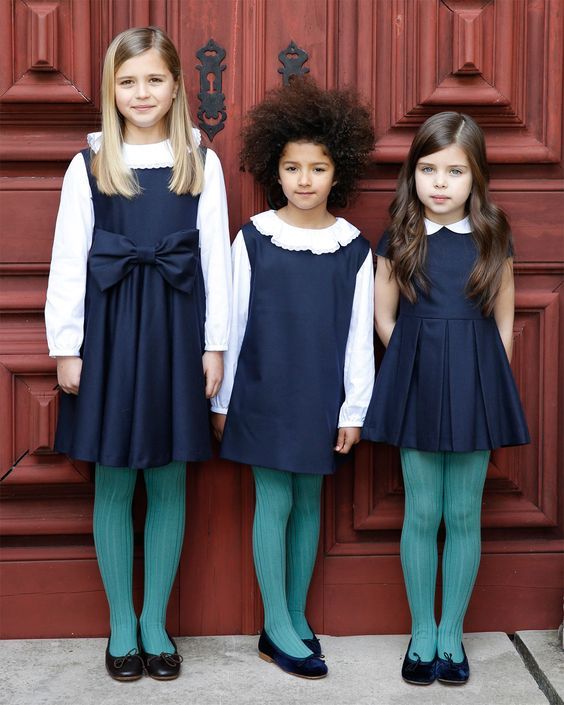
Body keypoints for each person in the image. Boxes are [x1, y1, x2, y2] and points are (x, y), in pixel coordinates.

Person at [45, 26, 231, 681]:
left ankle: (156, 620)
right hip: (110, 335)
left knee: (169, 476)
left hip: (177, 334)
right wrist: (66, 347)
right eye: (128, 81)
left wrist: (215, 345)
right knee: (115, 478)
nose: (142, 92)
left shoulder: (199, 162)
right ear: (111, 90)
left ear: (176, 86)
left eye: (154, 79)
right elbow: (69, 259)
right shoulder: (90, 164)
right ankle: (122, 622)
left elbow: (216, 263)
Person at [211, 78, 375, 680]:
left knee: (309, 501)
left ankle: (295, 615)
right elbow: (233, 323)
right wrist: (223, 402)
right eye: (292, 167)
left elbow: (359, 337)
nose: (304, 180)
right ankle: (275, 624)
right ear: (274, 171)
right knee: (274, 499)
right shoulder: (254, 238)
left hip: (319, 397)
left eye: (318, 168)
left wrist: (353, 410)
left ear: (338, 173)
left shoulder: (354, 249)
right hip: (261, 394)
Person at [362, 112, 530, 686]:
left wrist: (483, 382)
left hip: (476, 385)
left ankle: (452, 634)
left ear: (476, 176)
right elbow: (384, 317)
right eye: (428, 169)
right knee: (421, 510)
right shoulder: (400, 236)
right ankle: (422, 633)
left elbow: (503, 322)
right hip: (417, 385)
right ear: (412, 173)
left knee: (462, 512)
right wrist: (417, 364)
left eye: (455, 171)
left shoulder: (494, 235)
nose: (440, 182)